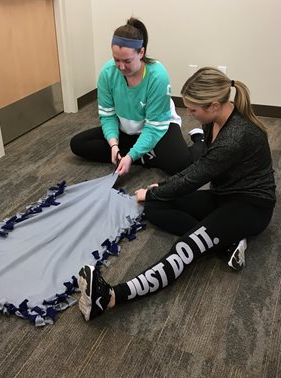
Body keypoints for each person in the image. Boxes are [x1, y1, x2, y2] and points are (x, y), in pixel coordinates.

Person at [77, 67, 276, 321]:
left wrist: (151, 193)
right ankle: (227, 242)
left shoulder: (235, 136)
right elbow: (197, 168)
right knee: (156, 207)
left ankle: (111, 297)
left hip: (251, 207)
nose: (188, 114)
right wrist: (158, 191)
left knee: (186, 246)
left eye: (193, 109)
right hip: (224, 196)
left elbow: (194, 178)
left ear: (214, 105)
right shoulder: (214, 120)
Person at [70, 17, 204, 176]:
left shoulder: (158, 76)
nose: (120, 66)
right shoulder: (107, 73)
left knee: (181, 165)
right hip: (127, 131)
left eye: (127, 61)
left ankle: (200, 139)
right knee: (78, 144)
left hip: (160, 127)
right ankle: (147, 155)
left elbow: (155, 127)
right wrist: (113, 145)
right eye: (116, 59)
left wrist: (131, 155)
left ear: (141, 52)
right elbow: (107, 115)